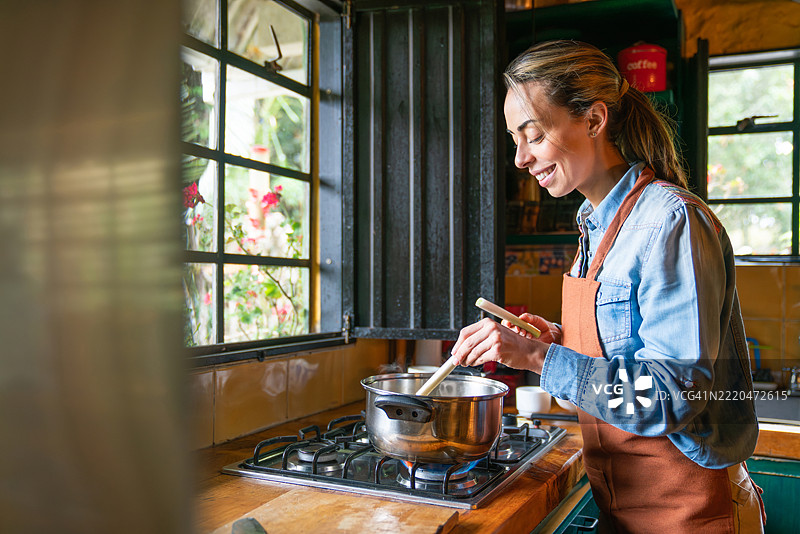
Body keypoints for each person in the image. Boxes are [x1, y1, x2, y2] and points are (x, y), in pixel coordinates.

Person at [450, 40, 765, 533]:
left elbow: (671, 395)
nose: (520, 158)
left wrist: (539, 361)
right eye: (515, 139)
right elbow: (622, 359)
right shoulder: (592, 226)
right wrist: (552, 341)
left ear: (594, 120)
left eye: (532, 135)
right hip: (626, 511)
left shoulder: (669, 221)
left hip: (690, 513)